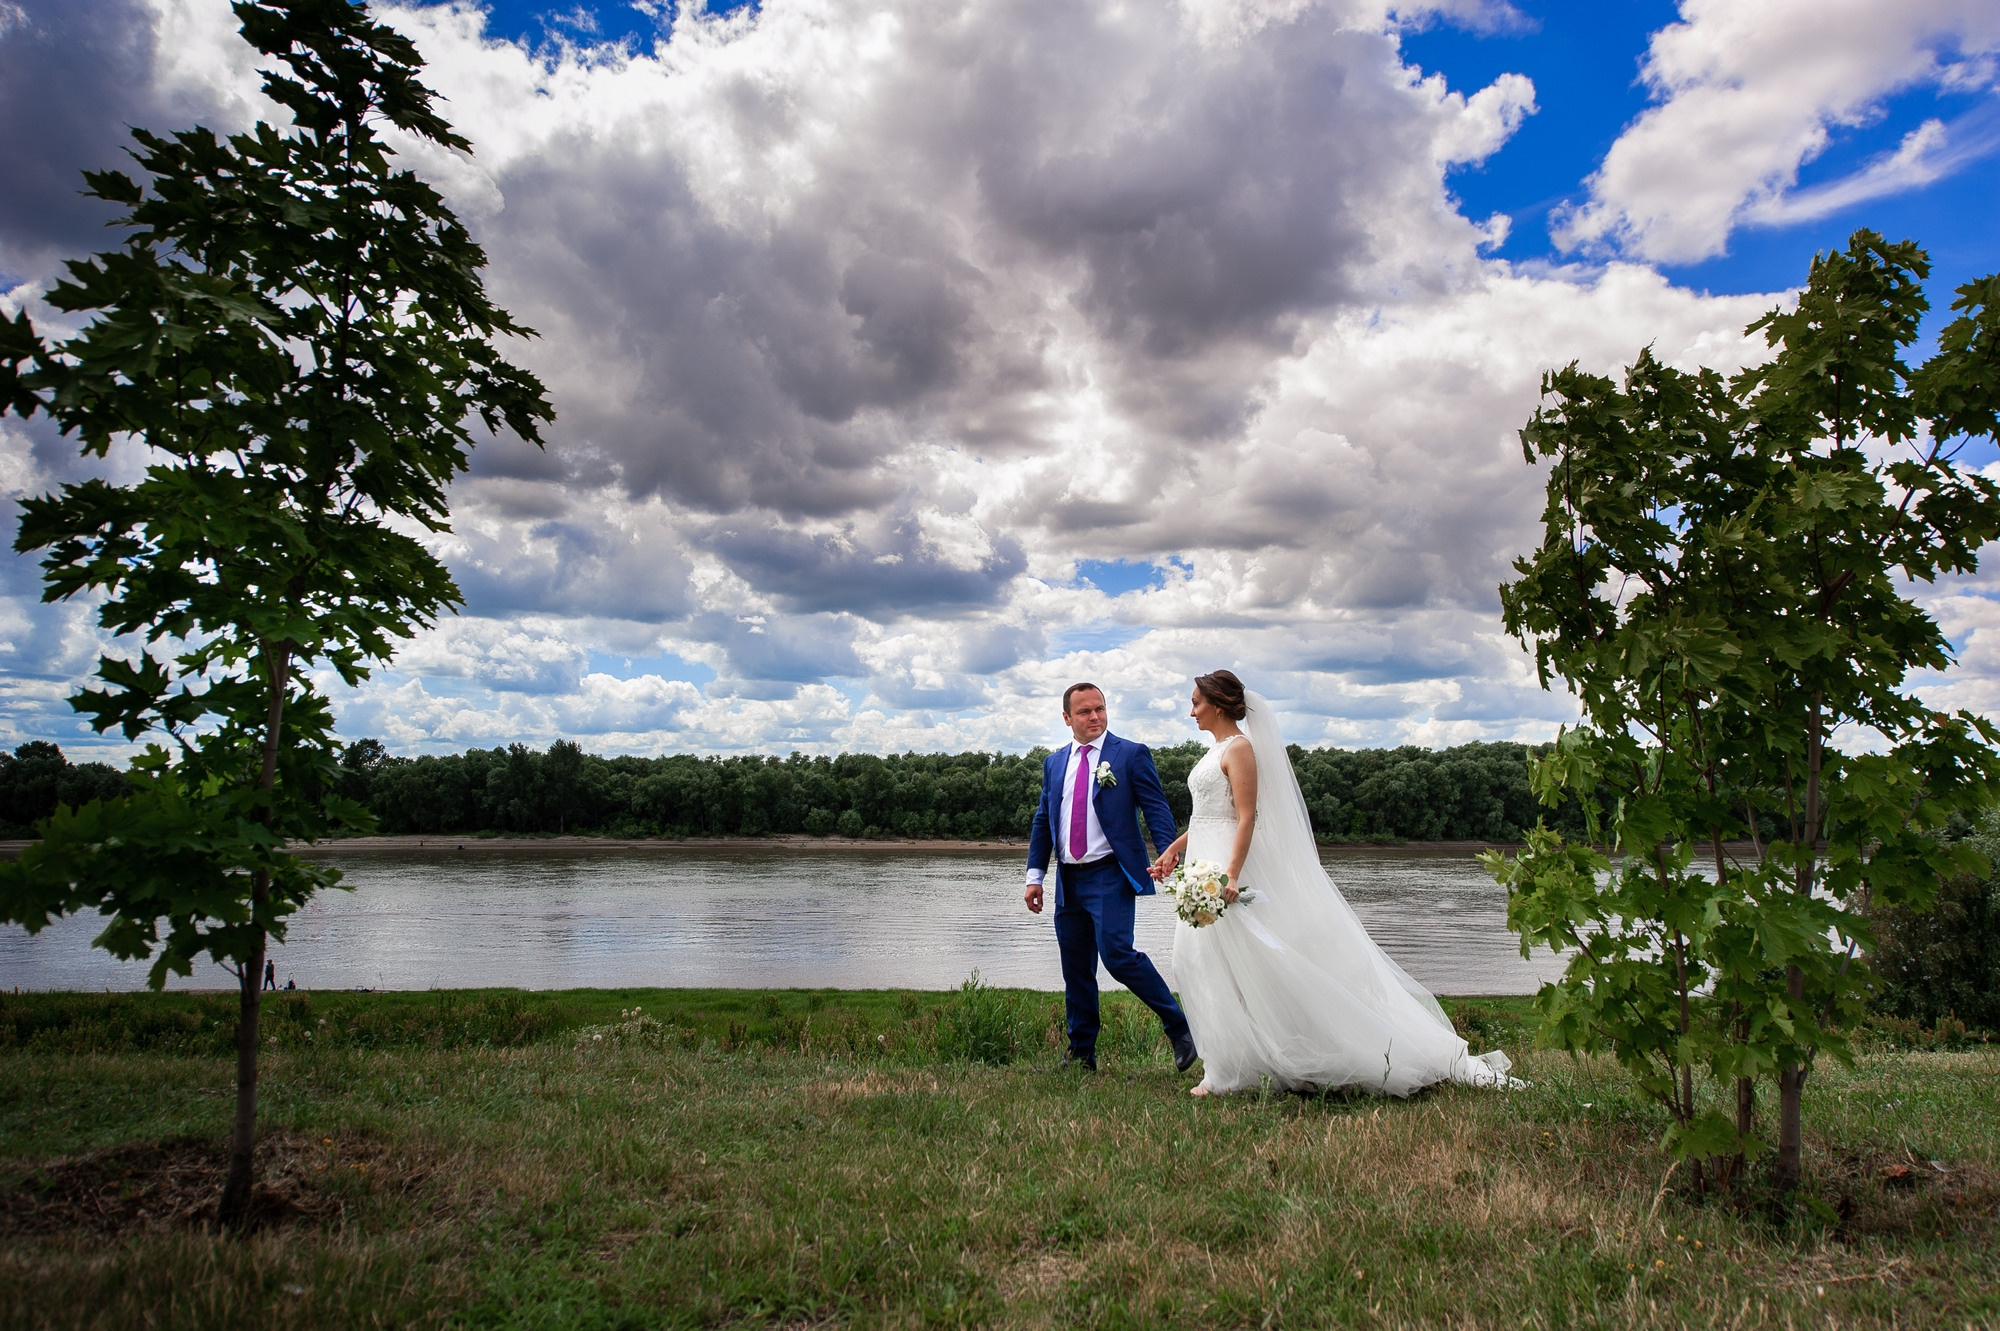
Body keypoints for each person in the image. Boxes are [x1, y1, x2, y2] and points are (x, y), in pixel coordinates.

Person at [1150, 671, 1514, 1097]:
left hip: (1229, 870)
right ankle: (1227, 1064)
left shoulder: (1241, 749)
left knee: (1243, 965)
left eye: (1196, 702)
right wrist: (1173, 849)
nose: (1190, 711)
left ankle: (1235, 1072)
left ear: (1218, 703)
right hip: (1202, 862)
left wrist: (1231, 874)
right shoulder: (1213, 752)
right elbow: (1207, 817)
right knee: (1194, 961)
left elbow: (1247, 817)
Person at [1025, 682, 1198, 1074]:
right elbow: (1042, 821)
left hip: (1109, 874)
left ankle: (1181, 1027)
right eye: (1084, 712)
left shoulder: (1130, 755)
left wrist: (1169, 852)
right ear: (1067, 718)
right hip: (1068, 880)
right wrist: (1035, 875)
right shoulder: (1054, 763)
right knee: (1076, 968)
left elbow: (1156, 808)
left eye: (1100, 709)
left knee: (1118, 955)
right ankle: (1081, 1055)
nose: (1095, 717)